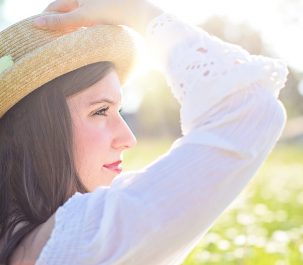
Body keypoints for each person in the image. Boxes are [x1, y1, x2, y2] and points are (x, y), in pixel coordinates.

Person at [0, 0, 288, 264]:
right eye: (100, 111)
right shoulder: (83, 241)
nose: (128, 139)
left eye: (120, 112)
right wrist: (137, 13)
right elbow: (253, 109)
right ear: (33, 129)